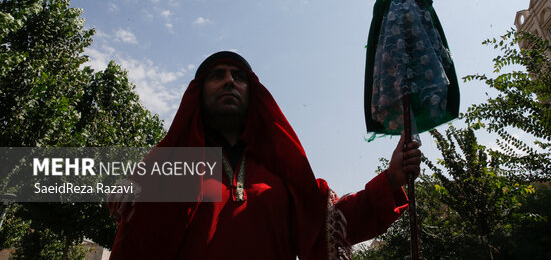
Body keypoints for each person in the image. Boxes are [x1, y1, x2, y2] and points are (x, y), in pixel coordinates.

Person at [108, 51, 421, 260]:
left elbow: (328, 225)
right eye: (217, 75)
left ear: (252, 94)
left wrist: (391, 180)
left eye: (239, 76)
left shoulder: (282, 173)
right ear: (198, 94)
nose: (230, 80)